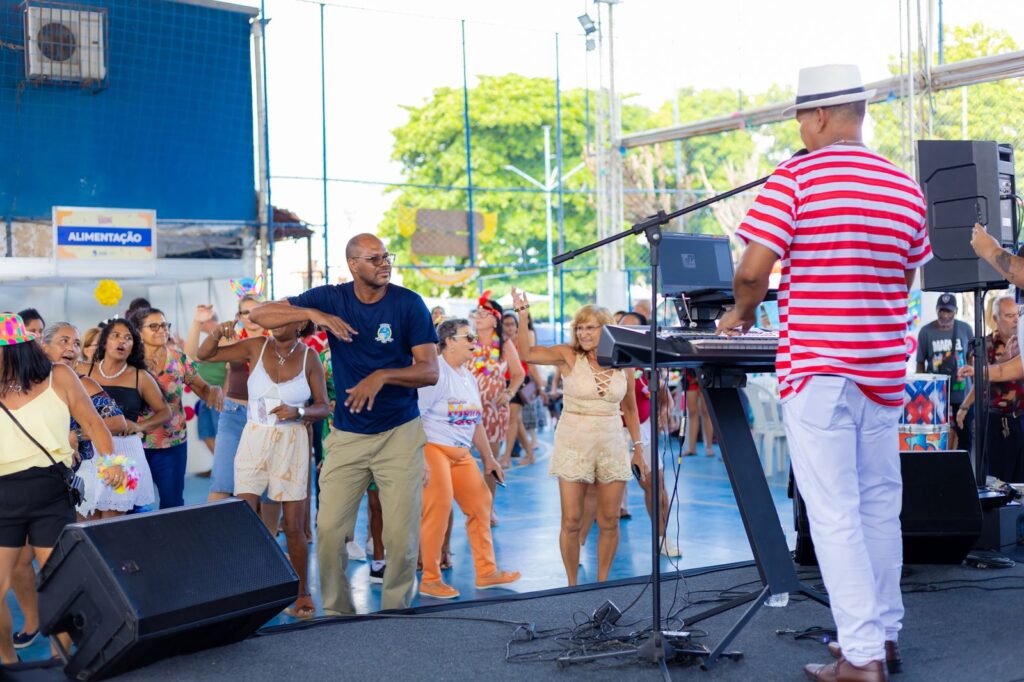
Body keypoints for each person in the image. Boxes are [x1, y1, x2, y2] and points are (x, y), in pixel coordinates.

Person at [716, 64, 930, 681]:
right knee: (877, 507)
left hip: (820, 370)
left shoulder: (798, 176)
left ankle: (861, 657)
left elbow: (754, 271)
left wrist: (740, 311)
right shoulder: (902, 185)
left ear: (816, 117)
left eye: (800, 119)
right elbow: (906, 277)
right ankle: (882, 635)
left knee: (832, 511)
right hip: (882, 369)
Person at [249, 233, 439, 614]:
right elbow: (259, 314)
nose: (385, 263)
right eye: (374, 258)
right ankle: (337, 614)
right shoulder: (331, 298)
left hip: (398, 433)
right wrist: (313, 314)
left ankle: (394, 612)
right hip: (348, 435)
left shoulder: (408, 304)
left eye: (387, 257)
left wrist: (383, 376)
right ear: (353, 265)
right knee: (331, 531)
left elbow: (430, 370)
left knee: (401, 537)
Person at [0, 313, 122, 665]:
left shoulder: (60, 376)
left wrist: (111, 463)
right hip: (3, 495)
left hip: (50, 493)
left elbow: (94, 424)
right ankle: (8, 663)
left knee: (59, 585)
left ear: (15, 350)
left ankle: (66, 661)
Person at [510, 290, 648, 586]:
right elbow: (526, 354)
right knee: (571, 520)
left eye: (590, 327)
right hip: (574, 439)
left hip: (612, 440)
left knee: (609, 519)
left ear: (606, 328)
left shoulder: (624, 363)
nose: (583, 333)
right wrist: (523, 315)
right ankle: (573, 586)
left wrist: (638, 449)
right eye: (580, 327)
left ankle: (601, 583)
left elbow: (630, 410)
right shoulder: (568, 355)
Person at [197, 317, 330, 619]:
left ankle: (302, 591)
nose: (274, 323)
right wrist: (218, 331)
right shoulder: (256, 346)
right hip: (254, 436)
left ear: (299, 325)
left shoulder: (310, 357)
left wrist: (299, 411)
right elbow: (204, 355)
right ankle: (248, 585)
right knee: (245, 514)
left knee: (294, 526)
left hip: (292, 440)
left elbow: (323, 405)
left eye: (282, 319)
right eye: (271, 319)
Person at [416, 318, 521, 599]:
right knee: (437, 510)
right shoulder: (435, 372)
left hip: (461, 452)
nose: (475, 342)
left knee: (480, 504)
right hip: (433, 448)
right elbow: (414, 416)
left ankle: (486, 572)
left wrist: (489, 458)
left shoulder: (467, 375)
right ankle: (430, 578)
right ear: (449, 342)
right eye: (469, 337)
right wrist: (421, 458)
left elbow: (475, 422)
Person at [42, 323, 154, 519]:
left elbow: (119, 422)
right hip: (51, 470)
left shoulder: (85, 383)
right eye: (64, 341)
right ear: (44, 346)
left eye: (77, 343)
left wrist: (75, 435)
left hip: (99, 462)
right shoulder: (28, 385)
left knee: (99, 532)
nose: (72, 347)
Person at [130, 308, 223, 509]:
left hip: (172, 443)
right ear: (139, 332)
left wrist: (214, 390)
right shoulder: (130, 362)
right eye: (153, 326)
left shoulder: (177, 358)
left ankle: (171, 541)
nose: (161, 330)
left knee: (172, 502)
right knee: (132, 504)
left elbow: (203, 389)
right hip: (135, 444)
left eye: (164, 325)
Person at [85, 320, 170, 514]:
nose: (121, 341)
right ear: (104, 341)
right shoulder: (84, 370)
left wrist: (141, 426)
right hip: (89, 449)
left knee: (112, 521)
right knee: (86, 518)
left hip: (125, 452)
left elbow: (165, 412)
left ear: (133, 347)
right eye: (115, 335)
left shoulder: (141, 377)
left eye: (128, 338)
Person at [956, 295, 1024, 482]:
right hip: (999, 422)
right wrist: (964, 406)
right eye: (1010, 316)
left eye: (1017, 314)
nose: (1016, 320)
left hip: (1022, 418)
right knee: (999, 481)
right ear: (995, 318)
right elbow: (985, 378)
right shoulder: (984, 344)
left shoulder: (1022, 341)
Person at [471, 292, 524, 522]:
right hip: (467, 408)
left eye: (484, 313)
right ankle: (471, 506)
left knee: (489, 459)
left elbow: (519, 374)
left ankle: (488, 508)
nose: (478, 316)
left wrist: (509, 392)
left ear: (495, 319)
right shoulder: (467, 340)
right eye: (477, 313)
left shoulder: (503, 344)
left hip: (493, 409)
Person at [916, 293, 973, 451]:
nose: (945, 315)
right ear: (936, 310)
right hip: (936, 393)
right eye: (942, 311)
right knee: (936, 435)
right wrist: (921, 392)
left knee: (965, 434)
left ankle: (963, 472)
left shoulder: (966, 329)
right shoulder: (925, 332)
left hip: (962, 393)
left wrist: (975, 387)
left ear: (956, 311)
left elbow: (971, 358)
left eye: (949, 312)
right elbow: (920, 362)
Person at [185, 304, 227, 458]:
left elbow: (230, 369)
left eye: (202, 322)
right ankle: (221, 465)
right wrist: (196, 323)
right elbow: (191, 358)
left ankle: (227, 468)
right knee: (205, 433)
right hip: (206, 395)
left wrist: (225, 395)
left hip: (220, 395)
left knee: (221, 435)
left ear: (208, 321)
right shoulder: (209, 341)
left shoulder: (225, 338)